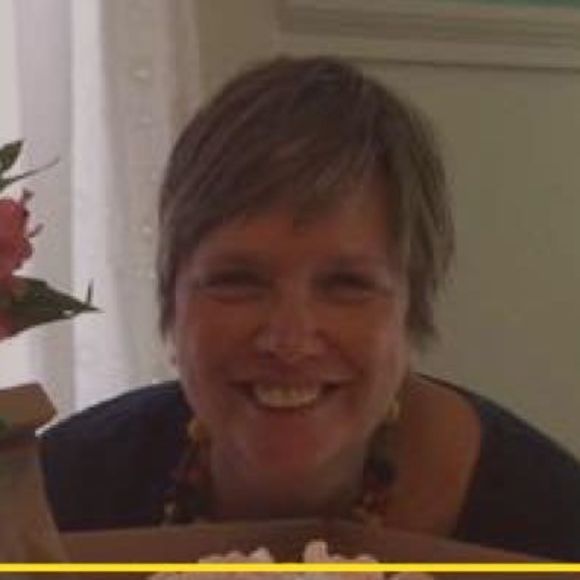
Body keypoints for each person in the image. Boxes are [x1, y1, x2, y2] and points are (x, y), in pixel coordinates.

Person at [41, 56, 580, 561]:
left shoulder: (554, 523)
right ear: (171, 298)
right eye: (237, 281)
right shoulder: (55, 495)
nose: (289, 339)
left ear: (411, 306)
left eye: (346, 285)